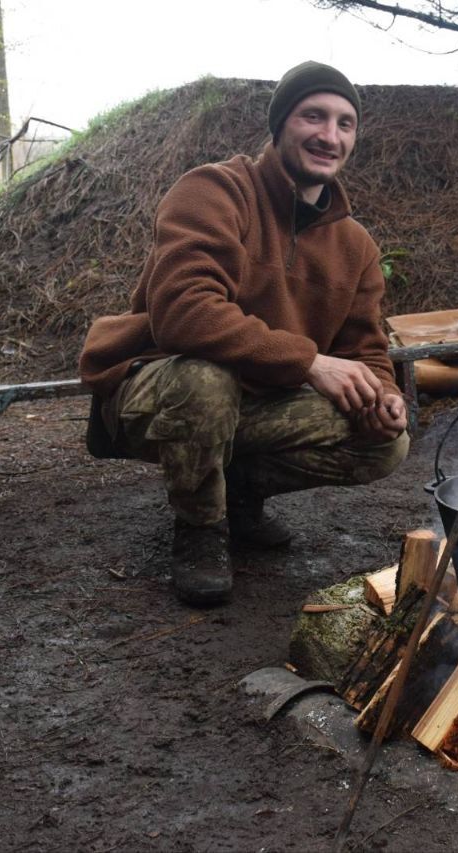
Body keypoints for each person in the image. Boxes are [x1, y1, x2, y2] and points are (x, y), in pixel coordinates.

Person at [79, 61, 409, 606]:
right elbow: (183, 312)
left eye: (345, 123)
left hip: (258, 398)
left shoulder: (356, 247)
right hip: (156, 384)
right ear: (280, 125)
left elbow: (367, 351)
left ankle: (238, 498)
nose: (330, 136)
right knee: (206, 380)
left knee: (385, 442)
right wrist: (309, 363)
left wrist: (385, 397)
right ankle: (199, 528)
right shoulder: (214, 191)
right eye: (314, 116)